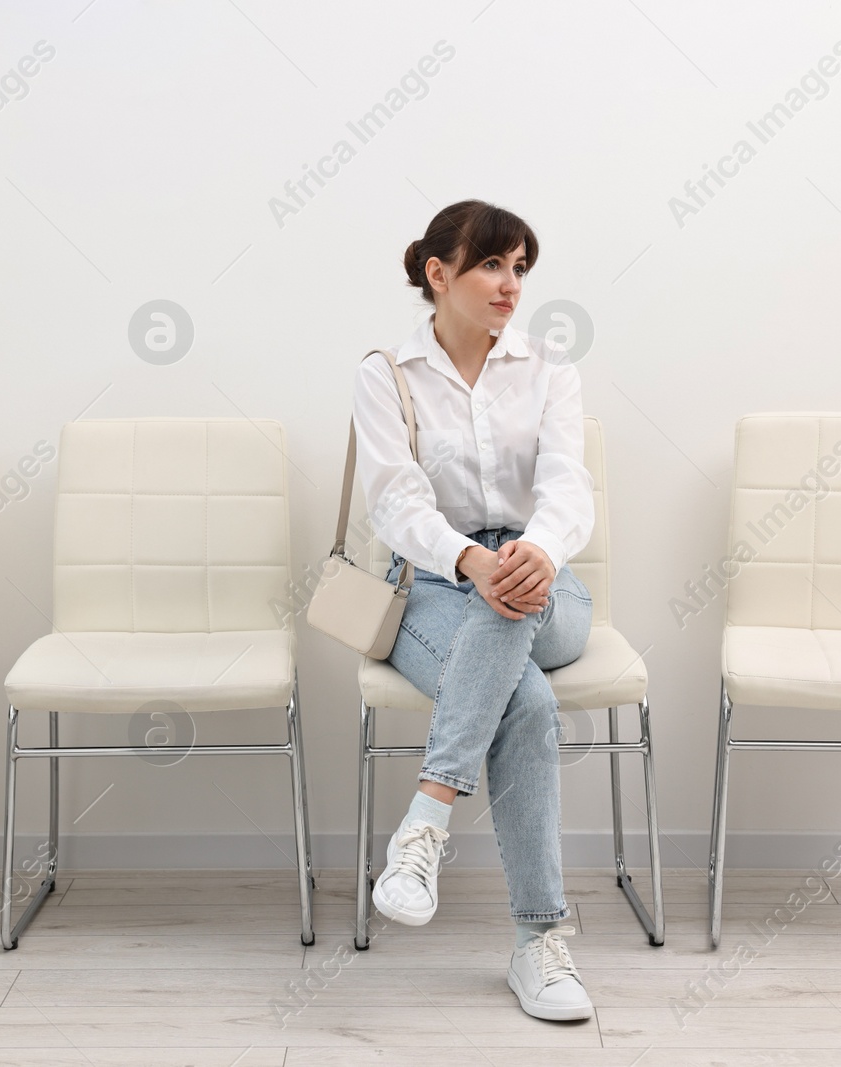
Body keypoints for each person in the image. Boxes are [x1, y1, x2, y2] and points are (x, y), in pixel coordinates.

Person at [350, 198, 597, 1021]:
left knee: (515, 602)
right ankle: (539, 943)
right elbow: (393, 499)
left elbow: (569, 488)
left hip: (541, 580)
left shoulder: (550, 370)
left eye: (520, 268)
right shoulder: (386, 374)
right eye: (492, 264)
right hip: (431, 581)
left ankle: (425, 822)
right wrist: (468, 558)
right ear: (439, 273)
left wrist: (540, 553)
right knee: (523, 701)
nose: (509, 285)